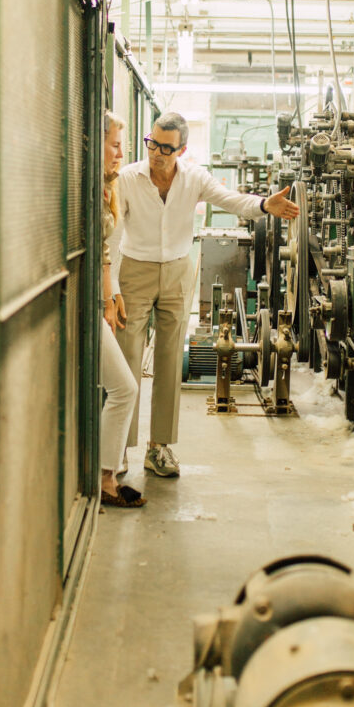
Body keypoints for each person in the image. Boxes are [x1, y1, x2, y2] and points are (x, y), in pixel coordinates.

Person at [113, 111, 299, 477]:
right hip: (134, 270)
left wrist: (264, 205)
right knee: (128, 359)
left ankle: (159, 447)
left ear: (181, 149)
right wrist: (113, 285)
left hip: (178, 271)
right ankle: (119, 448)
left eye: (166, 148)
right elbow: (115, 230)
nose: (157, 154)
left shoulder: (193, 179)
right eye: (153, 144)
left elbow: (231, 200)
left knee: (169, 360)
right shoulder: (128, 179)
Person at [100, 111, 146, 508]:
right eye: (114, 144)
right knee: (124, 387)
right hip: (83, 304)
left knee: (118, 386)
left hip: (96, 301)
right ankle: (105, 478)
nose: (120, 153)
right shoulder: (86, 187)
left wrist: (113, 296)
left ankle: (105, 474)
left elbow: (105, 253)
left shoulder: (106, 187)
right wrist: (104, 300)